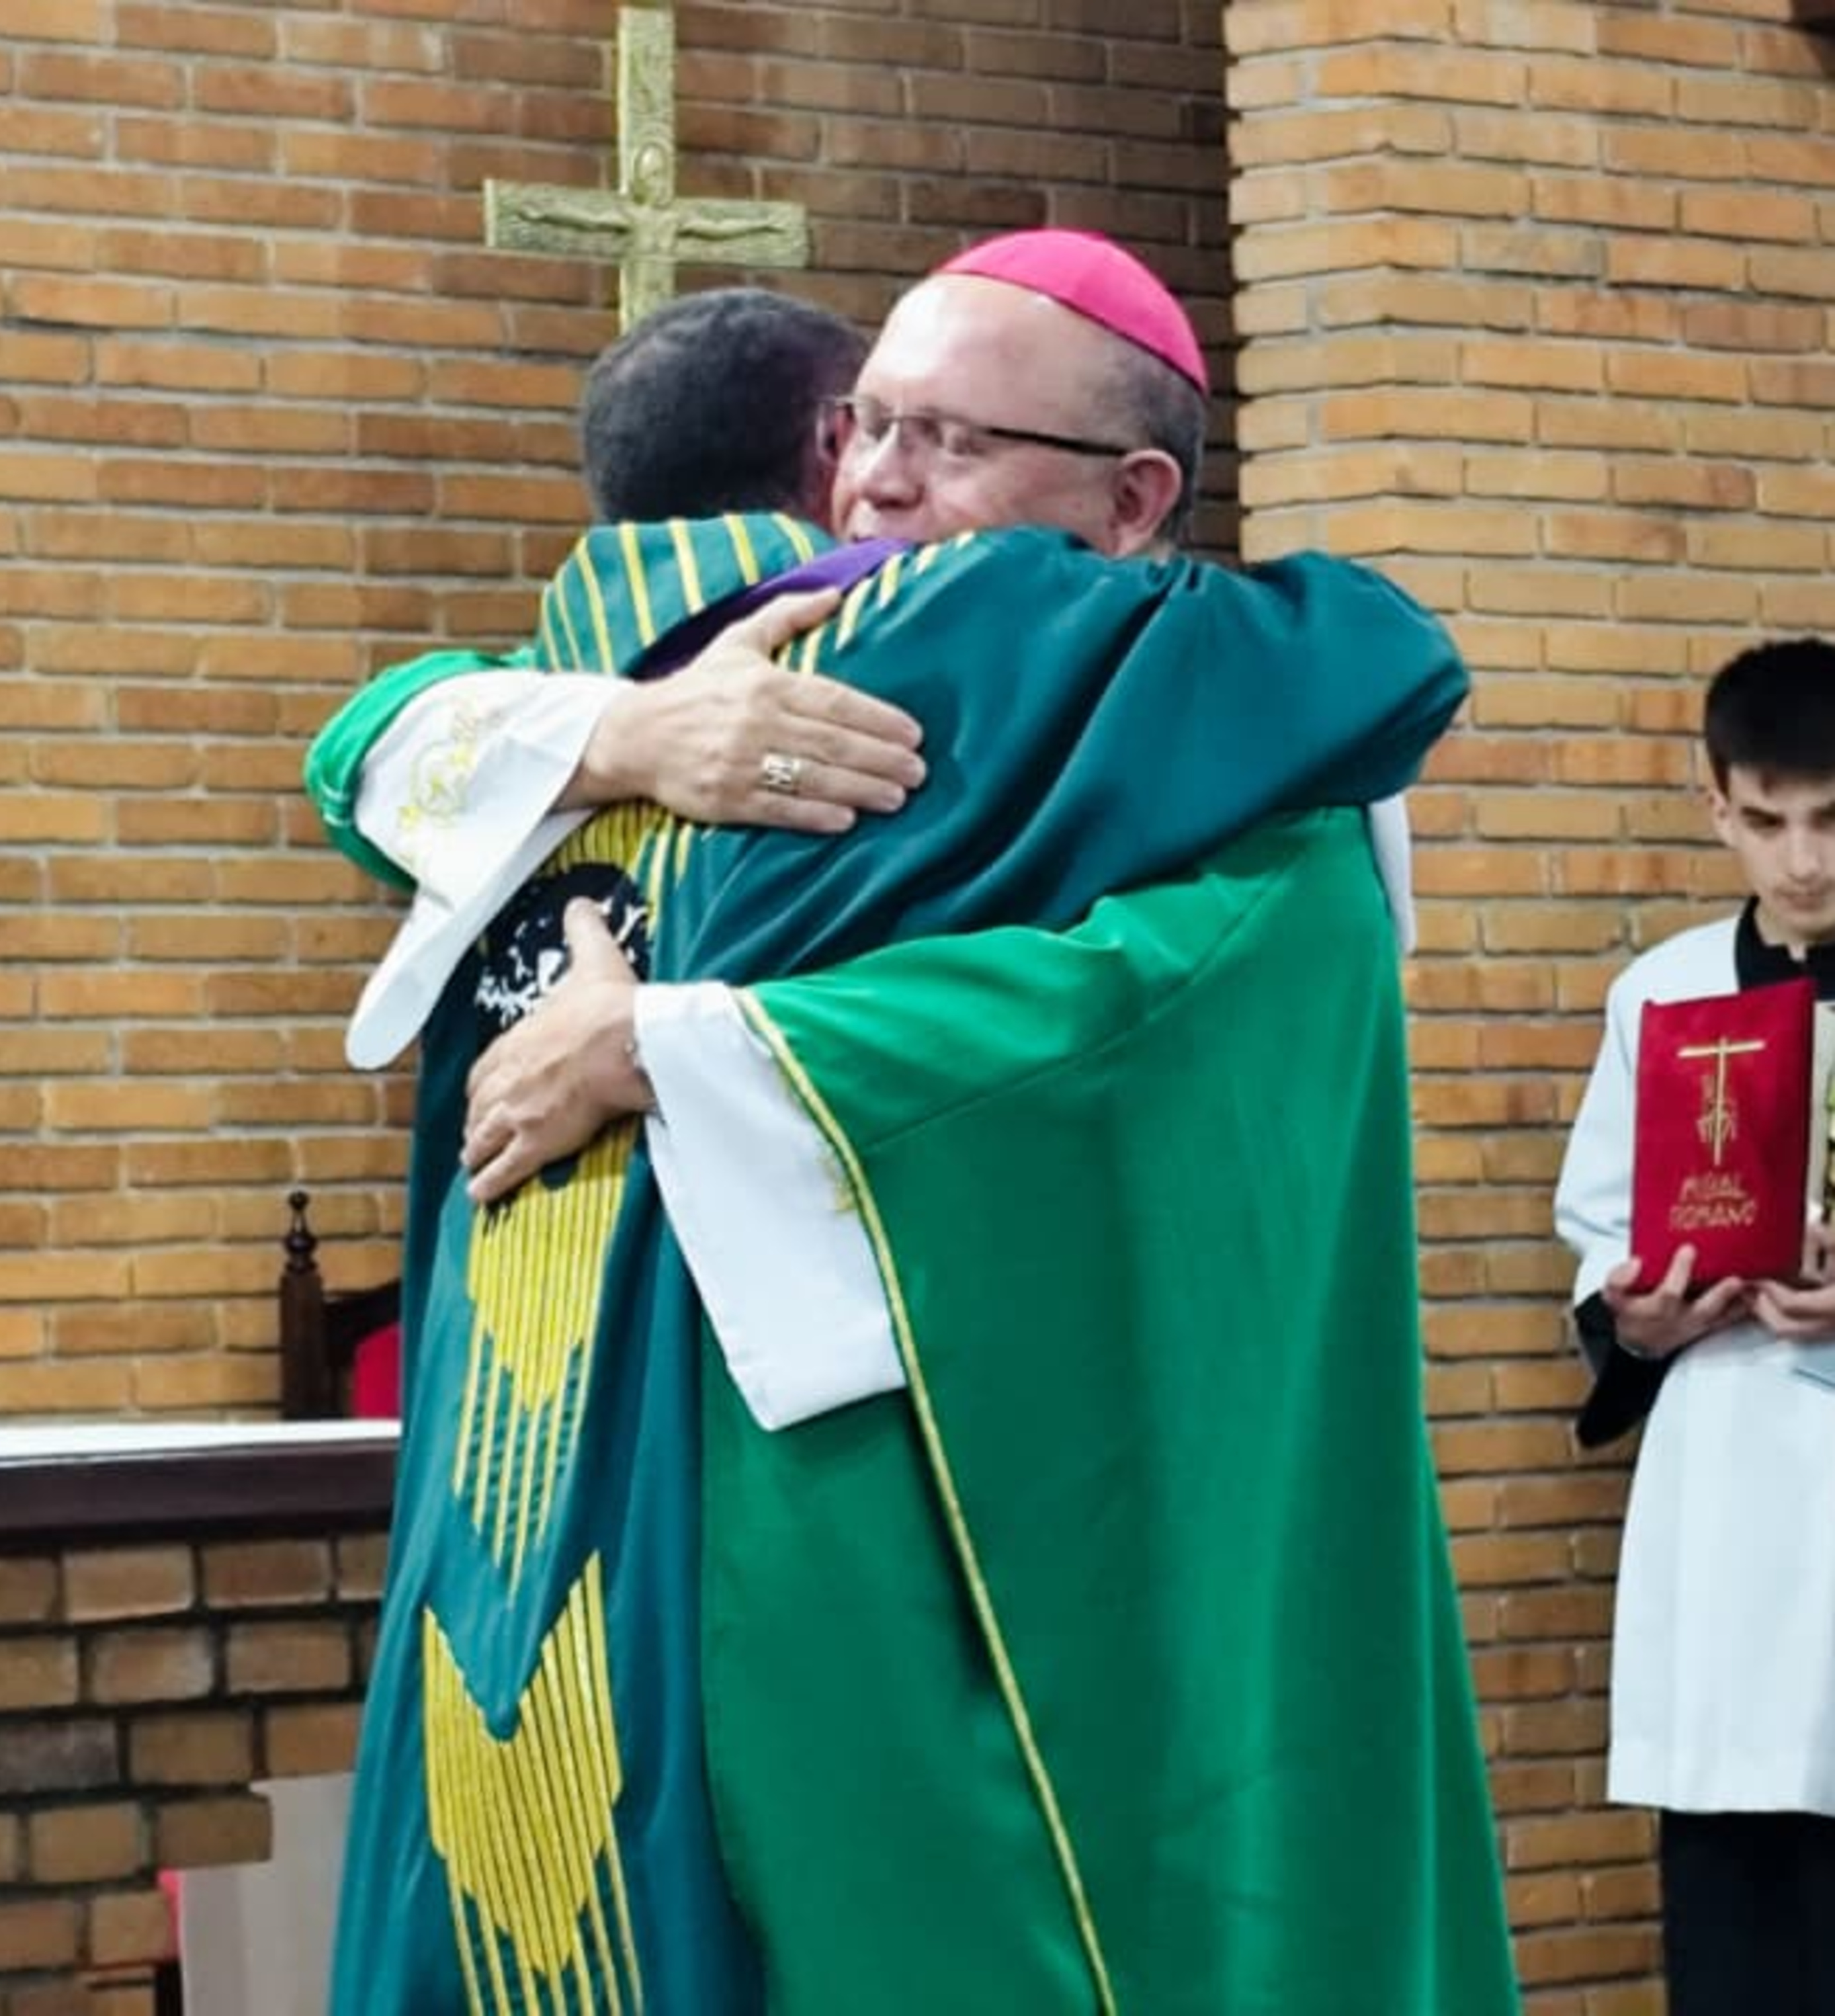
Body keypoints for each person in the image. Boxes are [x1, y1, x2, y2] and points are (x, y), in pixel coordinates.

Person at [325, 235, 1516, 2014]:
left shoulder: (1230, 745)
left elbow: (1149, 1018)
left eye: (949, 443)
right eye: (868, 424)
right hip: (597, 1483)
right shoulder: (743, 673)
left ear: (1131, 502)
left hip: (958, 1521)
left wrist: (685, 1044)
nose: (877, 478)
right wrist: (630, 734)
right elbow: (372, 751)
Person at [1554, 636, 1835, 2016]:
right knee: (1741, 1893)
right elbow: (1600, 1227)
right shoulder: (1663, 994)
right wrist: (1641, 1315)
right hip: (1728, 1483)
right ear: (1718, 805)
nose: (1803, 861)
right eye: (1770, 820)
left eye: (1834, 822)